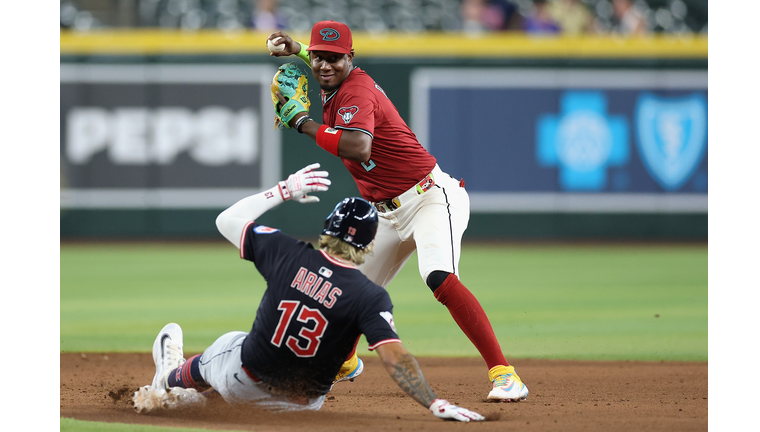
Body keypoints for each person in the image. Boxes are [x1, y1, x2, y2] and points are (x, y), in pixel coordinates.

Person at [266, 20, 529, 402]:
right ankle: (345, 361)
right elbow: (321, 59)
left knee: (438, 276)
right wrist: (298, 49)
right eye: (318, 57)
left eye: (333, 59)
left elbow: (358, 148)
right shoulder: (333, 74)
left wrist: (303, 123)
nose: (323, 65)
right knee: (344, 288)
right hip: (384, 212)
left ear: (350, 59)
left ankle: (505, 374)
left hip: (429, 197)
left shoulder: (356, 90)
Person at [132, 163, 485, 421]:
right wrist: (434, 403)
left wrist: (284, 190)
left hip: (245, 381)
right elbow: (395, 358)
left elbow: (226, 220)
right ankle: (194, 397)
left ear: (326, 229)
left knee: (230, 344)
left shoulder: (288, 253)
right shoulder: (369, 295)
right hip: (302, 409)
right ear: (369, 245)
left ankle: (169, 379)